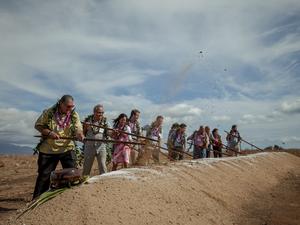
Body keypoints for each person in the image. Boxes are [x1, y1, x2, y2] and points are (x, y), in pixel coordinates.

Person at [33, 95, 84, 199]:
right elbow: (38, 125)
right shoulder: (49, 112)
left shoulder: (74, 115)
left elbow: (78, 128)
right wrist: (49, 132)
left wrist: (80, 135)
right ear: (61, 103)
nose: (70, 109)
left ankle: (72, 199)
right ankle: (37, 201)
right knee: (44, 177)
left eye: (72, 106)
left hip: (67, 148)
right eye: (68, 106)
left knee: (73, 174)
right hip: (48, 150)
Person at [82, 104, 109, 177]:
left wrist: (114, 132)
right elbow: (82, 133)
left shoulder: (105, 122)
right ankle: (83, 182)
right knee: (87, 166)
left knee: (103, 166)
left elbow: (108, 133)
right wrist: (85, 127)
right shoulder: (87, 121)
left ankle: (104, 182)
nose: (101, 114)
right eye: (99, 112)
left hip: (101, 146)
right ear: (94, 112)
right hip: (89, 146)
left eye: (102, 113)